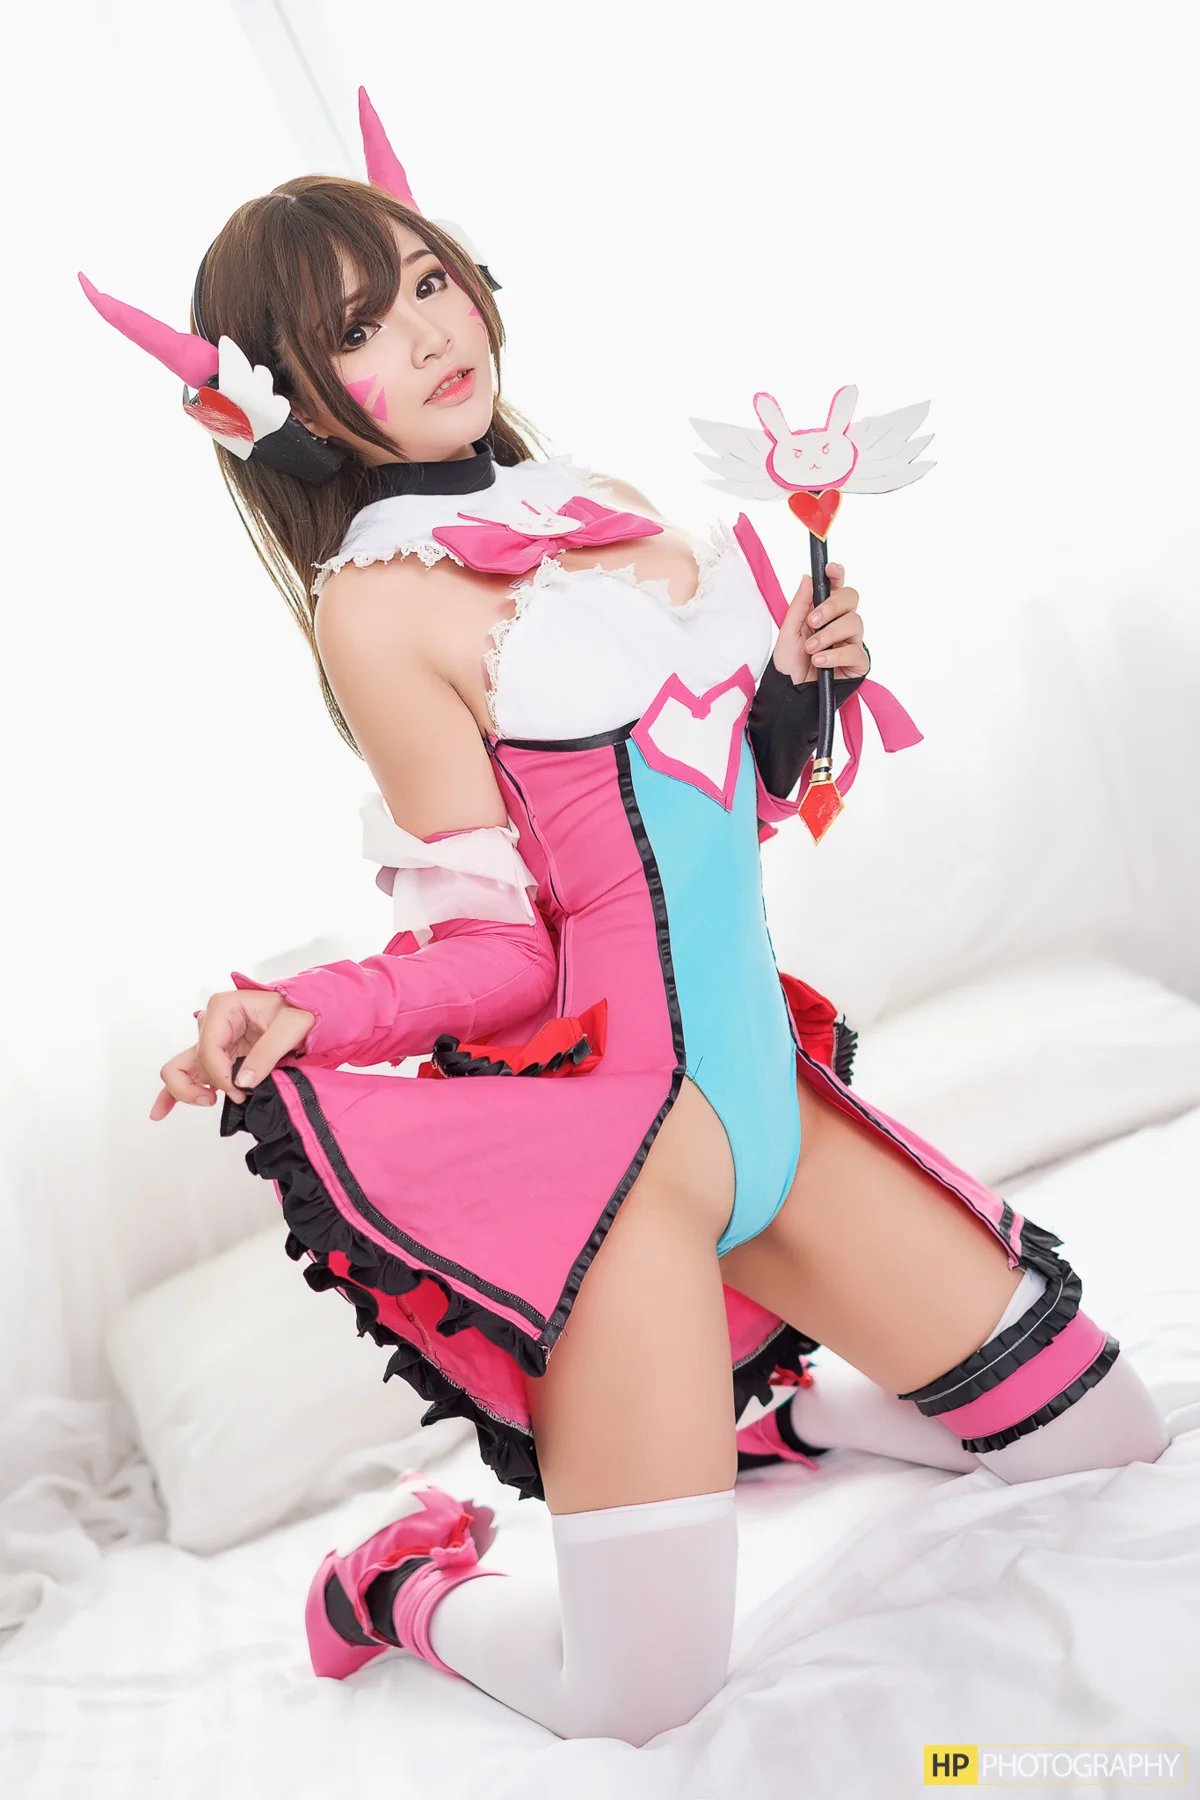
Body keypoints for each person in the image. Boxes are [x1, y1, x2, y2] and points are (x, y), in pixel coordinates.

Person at [86, 93, 1171, 1747]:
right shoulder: (379, 607)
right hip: (627, 1175)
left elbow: (726, 803)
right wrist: (315, 1011)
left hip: (770, 1110)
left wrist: (801, 690)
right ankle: (399, 1586)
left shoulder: (606, 508)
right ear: (290, 401)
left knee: (1106, 1438)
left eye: (427, 281)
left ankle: (781, 1429)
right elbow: (506, 944)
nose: (427, 332)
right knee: (643, 1696)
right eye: (358, 329)